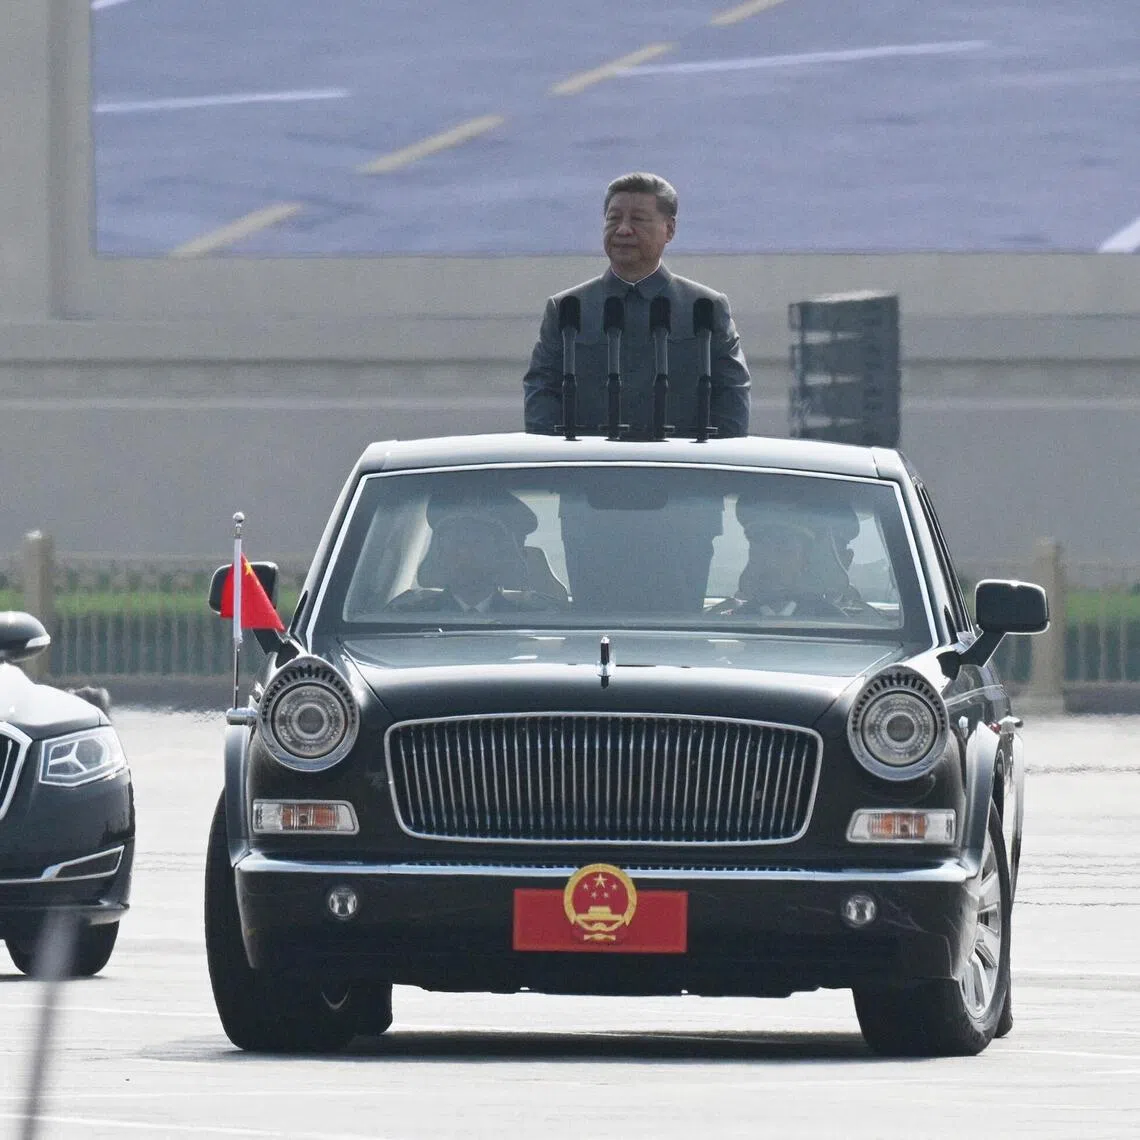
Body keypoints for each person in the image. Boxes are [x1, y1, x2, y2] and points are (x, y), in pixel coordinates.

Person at [523, 172, 751, 439]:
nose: (622, 229)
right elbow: (542, 397)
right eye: (613, 218)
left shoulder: (704, 308)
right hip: (590, 469)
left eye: (638, 220)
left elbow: (731, 399)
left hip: (679, 471)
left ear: (670, 229)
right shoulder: (568, 309)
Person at [386, 511, 561, 614]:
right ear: (438, 556)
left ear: (500, 556)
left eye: (477, 544)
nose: (465, 554)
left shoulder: (536, 621)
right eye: (456, 544)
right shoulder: (407, 618)